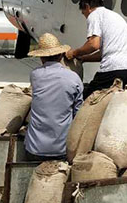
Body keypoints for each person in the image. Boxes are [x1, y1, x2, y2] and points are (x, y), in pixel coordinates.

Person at [66, 0, 127, 98]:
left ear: (87, 7)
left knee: (88, 97)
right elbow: (103, 53)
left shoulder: (94, 15)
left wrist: (74, 53)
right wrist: (84, 58)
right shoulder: (113, 16)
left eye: (84, 13)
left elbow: (93, 44)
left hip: (114, 69)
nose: (86, 17)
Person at [25, 33, 83, 161]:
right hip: (62, 150)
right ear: (61, 55)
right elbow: (78, 112)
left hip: (35, 148)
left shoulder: (35, 75)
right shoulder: (74, 78)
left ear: (41, 58)